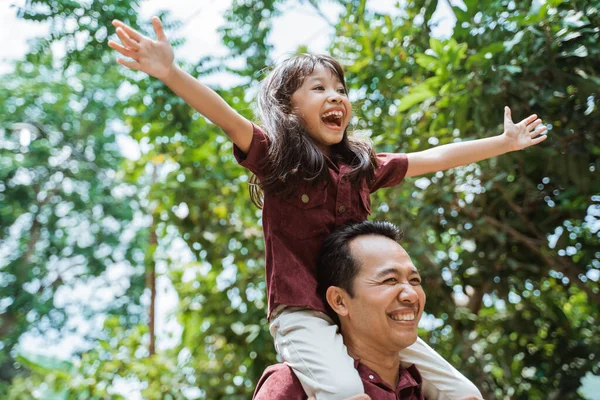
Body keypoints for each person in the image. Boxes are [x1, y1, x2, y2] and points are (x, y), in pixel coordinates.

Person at [108, 16, 546, 399]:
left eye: (340, 89)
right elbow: (226, 118)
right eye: (318, 89)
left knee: (462, 392)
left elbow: (433, 158)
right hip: (304, 310)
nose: (335, 97)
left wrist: (503, 144)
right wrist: (170, 73)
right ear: (289, 109)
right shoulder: (279, 160)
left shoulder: (359, 165)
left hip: (364, 311)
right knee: (342, 390)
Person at [254, 220, 426, 399]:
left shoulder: (425, 391)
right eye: (390, 280)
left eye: (415, 280)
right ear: (339, 301)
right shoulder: (292, 386)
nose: (411, 295)